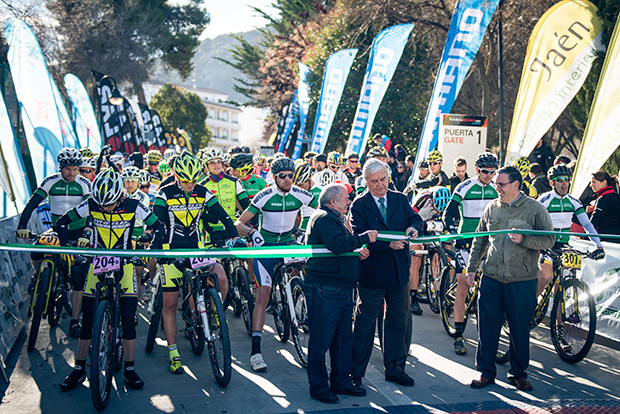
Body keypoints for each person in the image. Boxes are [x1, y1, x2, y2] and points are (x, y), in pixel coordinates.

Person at [57, 167, 163, 391]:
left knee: (127, 320)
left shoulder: (134, 205)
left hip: (124, 266)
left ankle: (130, 369)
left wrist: (150, 247)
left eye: (110, 203)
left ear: (120, 195)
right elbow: (63, 222)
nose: (105, 208)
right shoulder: (91, 204)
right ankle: (79, 369)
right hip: (97, 265)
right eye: (101, 204)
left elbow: (158, 226)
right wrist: (70, 247)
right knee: (87, 323)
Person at [467, 166, 554, 392]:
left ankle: (518, 374)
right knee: (487, 327)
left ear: (516, 184)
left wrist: (525, 239)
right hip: (492, 277)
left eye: (501, 184)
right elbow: (479, 239)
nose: (497, 188)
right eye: (496, 184)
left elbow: (549, 240)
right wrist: (471, 269)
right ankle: (486, 372)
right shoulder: (492, 207)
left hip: (522, 280)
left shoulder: (535, 209)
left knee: (519, 328)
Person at [153, 151, 238, 373]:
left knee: (220, 275)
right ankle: (173, 351)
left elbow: (223, 216)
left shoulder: (203, 191)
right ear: (176, 175)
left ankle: (213, 313)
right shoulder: (164, 193)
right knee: (170, 304)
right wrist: (157, 247)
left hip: (196, 249)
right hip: (170, 251)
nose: (190, 185)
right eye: (185, 181)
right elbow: (158, 223)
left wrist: (233, 236)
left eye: (193, 180)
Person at [235, 157, 318, 372]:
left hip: (289, 244)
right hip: (267, 247)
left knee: (302, 278)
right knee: (262, 296)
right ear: (274, 177)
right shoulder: (265, 195)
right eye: (283, 176)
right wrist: (253, 233)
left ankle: (296, 301)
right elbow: (239, 223)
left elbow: (322, 209)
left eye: (291, 176)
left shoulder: (299, 194)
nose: (288, 179)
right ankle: (256, 352)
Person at [349, 158, 423, 388]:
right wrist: (386, 245)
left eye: (383, 179)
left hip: (399, 272)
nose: (380, 185)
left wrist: (415, 229)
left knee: (397, 321)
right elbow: (359, 235)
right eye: (374, 181)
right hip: (372, 274)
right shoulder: (359, 205)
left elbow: (415, 219)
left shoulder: (400, 199)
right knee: (365, 323)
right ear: (366, 182)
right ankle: (355, 373)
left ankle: (395, 369)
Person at [304, 183, 377, 404]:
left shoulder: (331, 217)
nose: (349, 201)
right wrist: (363, 238)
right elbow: (337, 244)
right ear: (333, 201)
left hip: (340, 287)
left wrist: (355, 253)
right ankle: (319, 387)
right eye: (346, 198)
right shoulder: (325, 218)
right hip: (326, 288)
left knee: (342, 339)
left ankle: (341, 381)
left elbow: (340, 247)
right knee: (321, 340)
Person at [17, 147, 92, 338]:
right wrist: (21, 226)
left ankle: (74, 320)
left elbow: (92, 209)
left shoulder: (84, 184)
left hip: (78, 231)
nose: (72, 173)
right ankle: (37, 276)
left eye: (76, 168)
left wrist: (86, 232)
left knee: (77, 277)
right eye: (68, 169)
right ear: (60, 168)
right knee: (36, 249)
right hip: (58, 229)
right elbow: (32, 205)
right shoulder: (50, 182)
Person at [442, 152, 498, 355]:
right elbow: (449, 211)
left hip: (488, 241)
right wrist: (451, 229)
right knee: (463, 287)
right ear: (477, 170)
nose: (489, 176)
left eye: (492, 172)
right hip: (466, 241)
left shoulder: (495, 188)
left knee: (490, 290)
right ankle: (458, 336)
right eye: (485, 172)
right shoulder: (465, 186)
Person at [409, 186, 451, 315]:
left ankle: (440, 295)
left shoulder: (448, 200)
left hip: (433, 222)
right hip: (418, 219)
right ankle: (413, 298)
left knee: (437, 255)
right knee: (416, 261)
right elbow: (411, 216)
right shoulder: (424, 199)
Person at [588, 170, 620, 243]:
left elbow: (592, 224)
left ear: (604, 183)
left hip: (607, 240)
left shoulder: (602, 199)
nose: (591, 185)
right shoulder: (617, 197)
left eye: (594, 182)